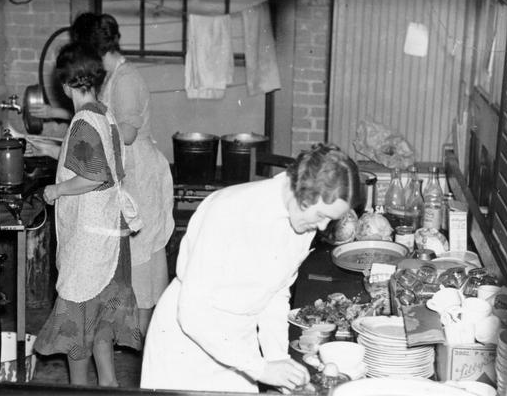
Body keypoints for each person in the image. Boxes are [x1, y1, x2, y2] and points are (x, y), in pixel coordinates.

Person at [140, 144, 360, 393]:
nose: (322, 228)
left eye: (329, 219)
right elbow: (192, 312)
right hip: (187, 344)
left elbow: (276, 294)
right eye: (321, 215)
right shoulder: (230, 209)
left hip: (240, 346)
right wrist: (261, 368)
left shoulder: (303, 224)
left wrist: (277, 360)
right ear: (302, 191)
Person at [30, 13, 174, 335]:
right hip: (121, 171)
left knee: (142, 266)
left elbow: (124, 133)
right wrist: (67, 121)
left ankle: (148, 345)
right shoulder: (111, 77)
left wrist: (78, 136)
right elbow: (101, 116)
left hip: (139, 174)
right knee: (125, 262)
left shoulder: (127, 80)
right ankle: (126, 336)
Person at [28, 42, 143, 387]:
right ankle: (109, 386)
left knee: (78, 334)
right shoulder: (104, 113)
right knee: (103, 328)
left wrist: (57, 190)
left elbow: (94, 174)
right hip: (111, 236)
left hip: (91, 244)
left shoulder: (82, 122)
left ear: (65, 86)